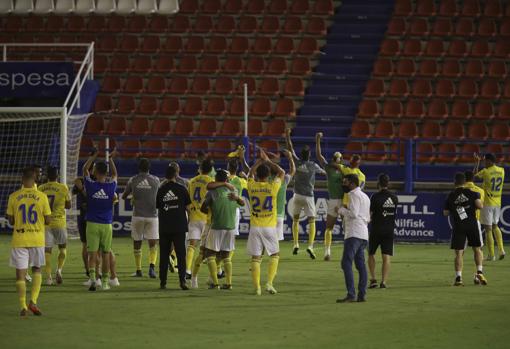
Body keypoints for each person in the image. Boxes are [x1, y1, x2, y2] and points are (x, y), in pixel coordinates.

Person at [6, 167, 51, 316]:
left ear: (22, 179)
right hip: (37, 239)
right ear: (35, 180)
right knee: (37, 269)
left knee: (20, 275)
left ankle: (23, 305)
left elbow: (11, 220)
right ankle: (34, 302)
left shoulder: (13, 196)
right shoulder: (42, 196)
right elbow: (48, 220)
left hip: (19, 239)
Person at [247, 152, 285, 295]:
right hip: (269, 227)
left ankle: (257, 288)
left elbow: (249, 174)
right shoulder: (272, 187)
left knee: (256, 258)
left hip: (255, 227)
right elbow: (281, 172)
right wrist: (267, 161)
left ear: (257, 175)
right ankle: (269, 283)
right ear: (268, 176)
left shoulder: (251, 186)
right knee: (275, 254)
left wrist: (258, 162)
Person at [201, 169, 245, 289]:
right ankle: (229, 283)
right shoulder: (234, 190)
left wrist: (211, 209)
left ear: (215, 179)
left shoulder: (212, 192)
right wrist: (236, 198)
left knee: (210, 253)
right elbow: (242, 203)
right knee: (226, 255)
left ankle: (215, 283)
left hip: (217, 225)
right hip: (231, 226)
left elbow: (203, 208)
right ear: (226, 179)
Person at [285, 128, 326, 258]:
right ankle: (310, 246)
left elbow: (290, 148)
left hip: (297, 195)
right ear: (309, 155)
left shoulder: (297, 163)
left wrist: (287, 135)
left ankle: (296, 244)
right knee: (312, 221)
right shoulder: (313, 165)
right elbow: (325, 173)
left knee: (295, 220)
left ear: (301, 155)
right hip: (308, 196)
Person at [82, 149, 118, 291]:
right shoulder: (111, 187)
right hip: (106, 225)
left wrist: (93, 156)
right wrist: (111, 159)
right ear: (106, 173)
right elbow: (115, 174)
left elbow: (85, 169)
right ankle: (104, 282)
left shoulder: (91, 185)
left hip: (91, 224)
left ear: (95, 172)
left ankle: (92, 280)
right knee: (106, 254)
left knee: (92, 254)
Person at [444, 172, 487, 286]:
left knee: (459, 253)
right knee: (477, 249)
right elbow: (480, 206)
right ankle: (479, 271)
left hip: (459, 226)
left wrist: (457, 208)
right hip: (472, 224)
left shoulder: (451, 195)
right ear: (465, 182)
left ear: (455, 183)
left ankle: (458, 278)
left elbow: (445, 212)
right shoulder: (473, 193)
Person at [122, 158, 160, 278]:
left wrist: (134, 195)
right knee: (153, 243)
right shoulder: (156, 180)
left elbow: (123, 196)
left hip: (138, 215)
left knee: (137, 242)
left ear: (139, 168)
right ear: (149, 168)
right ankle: (152, 268)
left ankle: (138, 270)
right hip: (152, 216)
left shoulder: (133, 180)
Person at [336, 174, 370, 303]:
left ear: (352, 183)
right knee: (361, 265)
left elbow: (354, 214)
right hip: (363, 234)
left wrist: (341, 210)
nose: (343, 184)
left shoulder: (353, 195)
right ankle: (362, 294)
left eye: (345, 182)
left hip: (354, 233)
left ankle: (351, 294)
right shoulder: (365, 197)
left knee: (346, 263)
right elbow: (367, 217)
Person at [157, 165, 191, 290]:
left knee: (164, 255)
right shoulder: (182, 189)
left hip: (165, 227)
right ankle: (182, 282)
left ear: (166, 176)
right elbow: (188, 208)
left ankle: (163, 282)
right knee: (181, 255)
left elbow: (158, 206)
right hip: (179, 226)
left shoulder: (161, 190)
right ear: (176, 175)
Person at [315, 132, 349, 261]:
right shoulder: (336, 168)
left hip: (340, 200)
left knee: (340, 227)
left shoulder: (340, 169)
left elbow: (319, 156)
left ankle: (333, 252)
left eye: (337, 158)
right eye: (336, 158)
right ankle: (328, 252)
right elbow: (319, 156)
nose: (336, 160)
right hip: (339, 200)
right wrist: (318, 140)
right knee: (335, 227)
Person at [38, 166, 71, 285]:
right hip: (59, 222)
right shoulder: (63, 188)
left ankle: (48, 278)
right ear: (57, 176)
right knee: (62, 248)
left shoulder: (40, 188)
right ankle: (59, 270)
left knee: (47, 251)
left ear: (47, 175)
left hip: (46, 223)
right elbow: (68, 205)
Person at [368, 174, 398, 289]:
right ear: (388, 183)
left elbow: (369, 215)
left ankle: (373, 279)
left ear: (378, 183)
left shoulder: (374, 197)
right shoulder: (394, 198)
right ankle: (384, 282)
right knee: (386, 256)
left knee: (371, 254)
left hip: (376, 229)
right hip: (389, 230)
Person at [474, 153, 506, 261]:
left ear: (489, 161)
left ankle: (491, 255)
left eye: (485, 161)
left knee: (488, 229)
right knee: (495, 226)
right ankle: (501, 250)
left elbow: (474, 175)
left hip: (487, 203)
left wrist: (477, 161)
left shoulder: (486, 171)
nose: (484, 163)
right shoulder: (502, 170)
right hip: (498, 202)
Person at [186, 159, 215, 278]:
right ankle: (215, 274)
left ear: (200, 169)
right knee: (208, 248)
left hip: (194, 216)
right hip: (206, 218)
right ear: (210, 170)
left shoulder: (191, 181)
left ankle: (187, 270)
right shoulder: (211, 181)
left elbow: (188, 199)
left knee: (192, 245)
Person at [276, 150, 295, 242]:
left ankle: (260, 256)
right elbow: (293, 170)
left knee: (265, 240)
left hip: (267, 215)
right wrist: (290, 157)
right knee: (275, 243)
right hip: (279, 215)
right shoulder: (284, 181)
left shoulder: (268, 181)